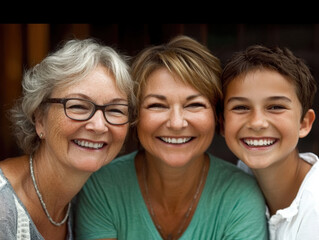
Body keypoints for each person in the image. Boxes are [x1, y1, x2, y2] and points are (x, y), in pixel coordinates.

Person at [75, 35, 268, 240]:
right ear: (135, 115)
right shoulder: (103, 187)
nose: (176, 123)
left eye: (194, 105)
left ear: (217, 116)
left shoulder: (240, 195)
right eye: (157, 105)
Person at [0, 38, 135, 240]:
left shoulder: (95, 197)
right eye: (78, 106)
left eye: (115, 110)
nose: (99, 126)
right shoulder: (4, 208)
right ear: (39, 118)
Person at [221, 44, 319, 239]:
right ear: (221, 124)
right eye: (240, 107)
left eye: (275, 107)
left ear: (304, 123)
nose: (257, 123)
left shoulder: (314, 210)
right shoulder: (241, 174)